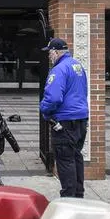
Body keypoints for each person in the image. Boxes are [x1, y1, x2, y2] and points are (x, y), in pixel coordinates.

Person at [39, 38, 89, 198]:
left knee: (65, 160)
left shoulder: (59, 69)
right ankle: (78, 196)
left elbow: (53, 98)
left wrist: (44, 110)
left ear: (56, 52)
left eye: (49, 53)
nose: (49, 56)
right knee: (76, 157)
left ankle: (68, 199)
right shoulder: (77, 66)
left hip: (65, 122)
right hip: (81, 119)